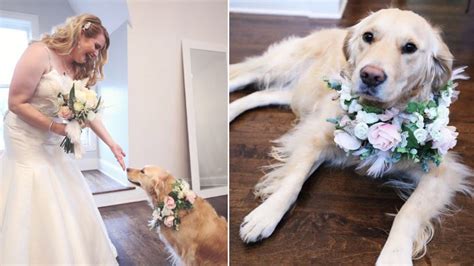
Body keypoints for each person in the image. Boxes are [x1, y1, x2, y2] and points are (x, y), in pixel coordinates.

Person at [0, 14, 125, 264]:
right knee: (33, 185)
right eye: (96, 46)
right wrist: (55, 127)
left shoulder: (77, 70)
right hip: (24, 136)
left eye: (100, 51)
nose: (96, 55)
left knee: (64, 186)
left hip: (51, 139)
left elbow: (86, 112)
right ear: (81, 35)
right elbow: (15, 102)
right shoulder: (39, 53)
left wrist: (112, 144)